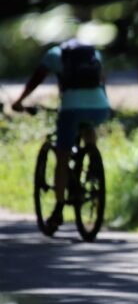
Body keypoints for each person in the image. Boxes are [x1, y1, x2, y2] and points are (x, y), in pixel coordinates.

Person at [11, 38, 112, 235]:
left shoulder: (55, 54)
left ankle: (58, 209)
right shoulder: (93, 54)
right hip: (101, 107)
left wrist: (20, 101)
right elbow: (101, 80)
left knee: (62, 155)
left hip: (71, 108)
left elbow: (36, 79)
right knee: (88, 126)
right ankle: (92, 163)